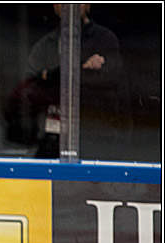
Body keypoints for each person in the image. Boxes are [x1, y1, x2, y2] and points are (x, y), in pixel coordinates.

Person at [19, 4, 127, 159]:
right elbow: (31, 89)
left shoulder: (105, 40)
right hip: (52, 141)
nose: (70, 5)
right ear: (55, 6)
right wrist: (82, 68)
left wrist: (51, 76)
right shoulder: (45, 45)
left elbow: (110, 80)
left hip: (97, 139)